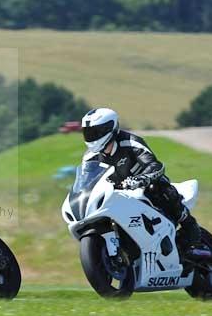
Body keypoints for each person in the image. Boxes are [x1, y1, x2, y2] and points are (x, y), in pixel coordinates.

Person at [79, 108, 205, 255]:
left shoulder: (131, 143)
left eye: (95, 132)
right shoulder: (89, 157)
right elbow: (86, 184)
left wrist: (140, 179)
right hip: (117, 197)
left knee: (156, 186)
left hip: (143, 189)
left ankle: (189, 225)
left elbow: (155, 166)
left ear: (109, 129)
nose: (91, 137)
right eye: (88, 133)